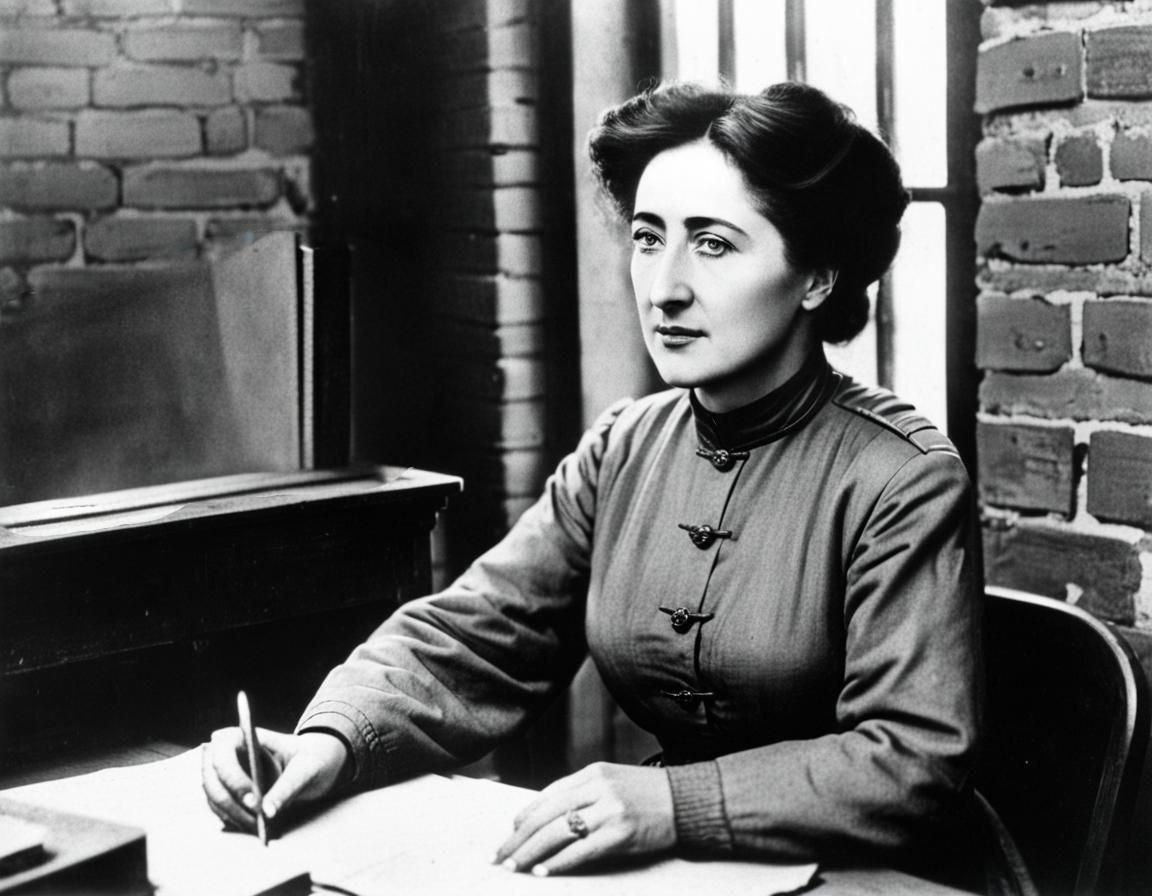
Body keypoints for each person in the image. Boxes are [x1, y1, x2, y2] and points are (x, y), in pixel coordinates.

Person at [203, 81, 991, 888]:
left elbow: (910, 760)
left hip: (885, 876)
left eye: (714, 244)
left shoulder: (902, 477)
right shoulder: (626, 448)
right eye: (649, 239)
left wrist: (671, 803)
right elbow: (476, 636)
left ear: (816, 278)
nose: (664, 287)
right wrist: (330, 742)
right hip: (689, 870)